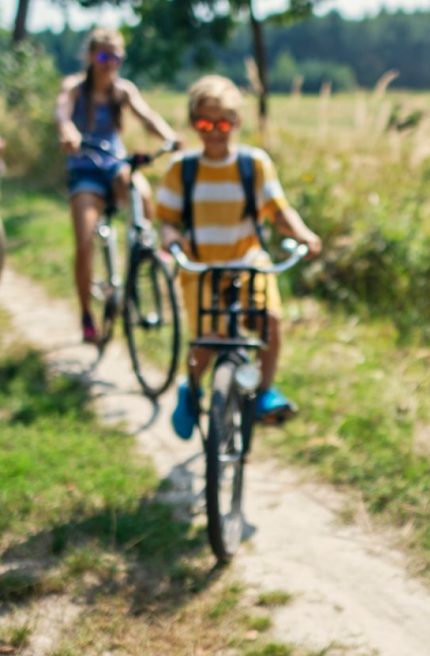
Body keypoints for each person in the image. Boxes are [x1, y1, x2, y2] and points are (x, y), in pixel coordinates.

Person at [156, 74, 321, 436]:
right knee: (207, 342)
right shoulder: (181, 169)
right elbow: (166, 220)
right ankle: (192, 388)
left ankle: (263, 392)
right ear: (194, 123)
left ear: (237, 122)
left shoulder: (254, 164)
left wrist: (304, 234)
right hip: (201, 267)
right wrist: (171, 241)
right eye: (204, 123)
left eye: (223, 123)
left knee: (269, 324)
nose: (215, 131)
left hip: (249, 263)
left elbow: (279, 212)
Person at [54, 27, 179, 343]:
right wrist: (68, 132)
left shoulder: (123, 91)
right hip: (84, 168)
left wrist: (169, 137)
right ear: (91, 57)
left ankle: (146, 251)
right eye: (103, 56)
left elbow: (147, 117)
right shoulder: (75, 89)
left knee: (140, 188)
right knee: (84, 240)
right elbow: (63, 113)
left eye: (116, 57)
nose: (110, 63)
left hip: (114, 165)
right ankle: (86, 315)